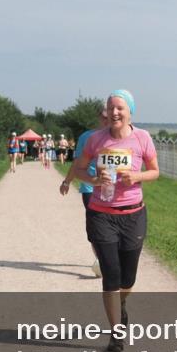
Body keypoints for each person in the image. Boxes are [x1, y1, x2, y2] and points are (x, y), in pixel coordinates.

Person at [71, 90, 159, 352]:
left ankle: (119, 304)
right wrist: (95, 181)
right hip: (101, 214)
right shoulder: (95, 139)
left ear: (130, 111)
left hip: (133, 214)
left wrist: (137, 177)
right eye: (111, 108)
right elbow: (78, 168)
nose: (115, 112)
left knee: (127, 278)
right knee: (111, 275)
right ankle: (116, 335)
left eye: (120, 108)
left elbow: (155, 171)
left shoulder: (142, 138)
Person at [60, 107, 108, 278]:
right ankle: (101, 261)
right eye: (103, 116)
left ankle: (109, 258)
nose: (107, 120)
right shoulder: (87, 137)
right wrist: (67, 181)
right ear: (98, 118)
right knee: (96, 226)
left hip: (113, 191)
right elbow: (77, 162)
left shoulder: (120, 138)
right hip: (90, 188)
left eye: (109, 116)